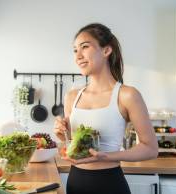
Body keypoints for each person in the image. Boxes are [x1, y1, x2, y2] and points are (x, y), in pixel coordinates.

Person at [53, 23, 158, 194]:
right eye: (74, 50)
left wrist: (108, 156)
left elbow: (151, 149)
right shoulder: (72, 96)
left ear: (106, 51)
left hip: (110, 184)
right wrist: (62, 134)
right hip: (75, 183)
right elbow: (74, 144)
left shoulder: (127, 95)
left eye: (85, 47)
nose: (78, 56)